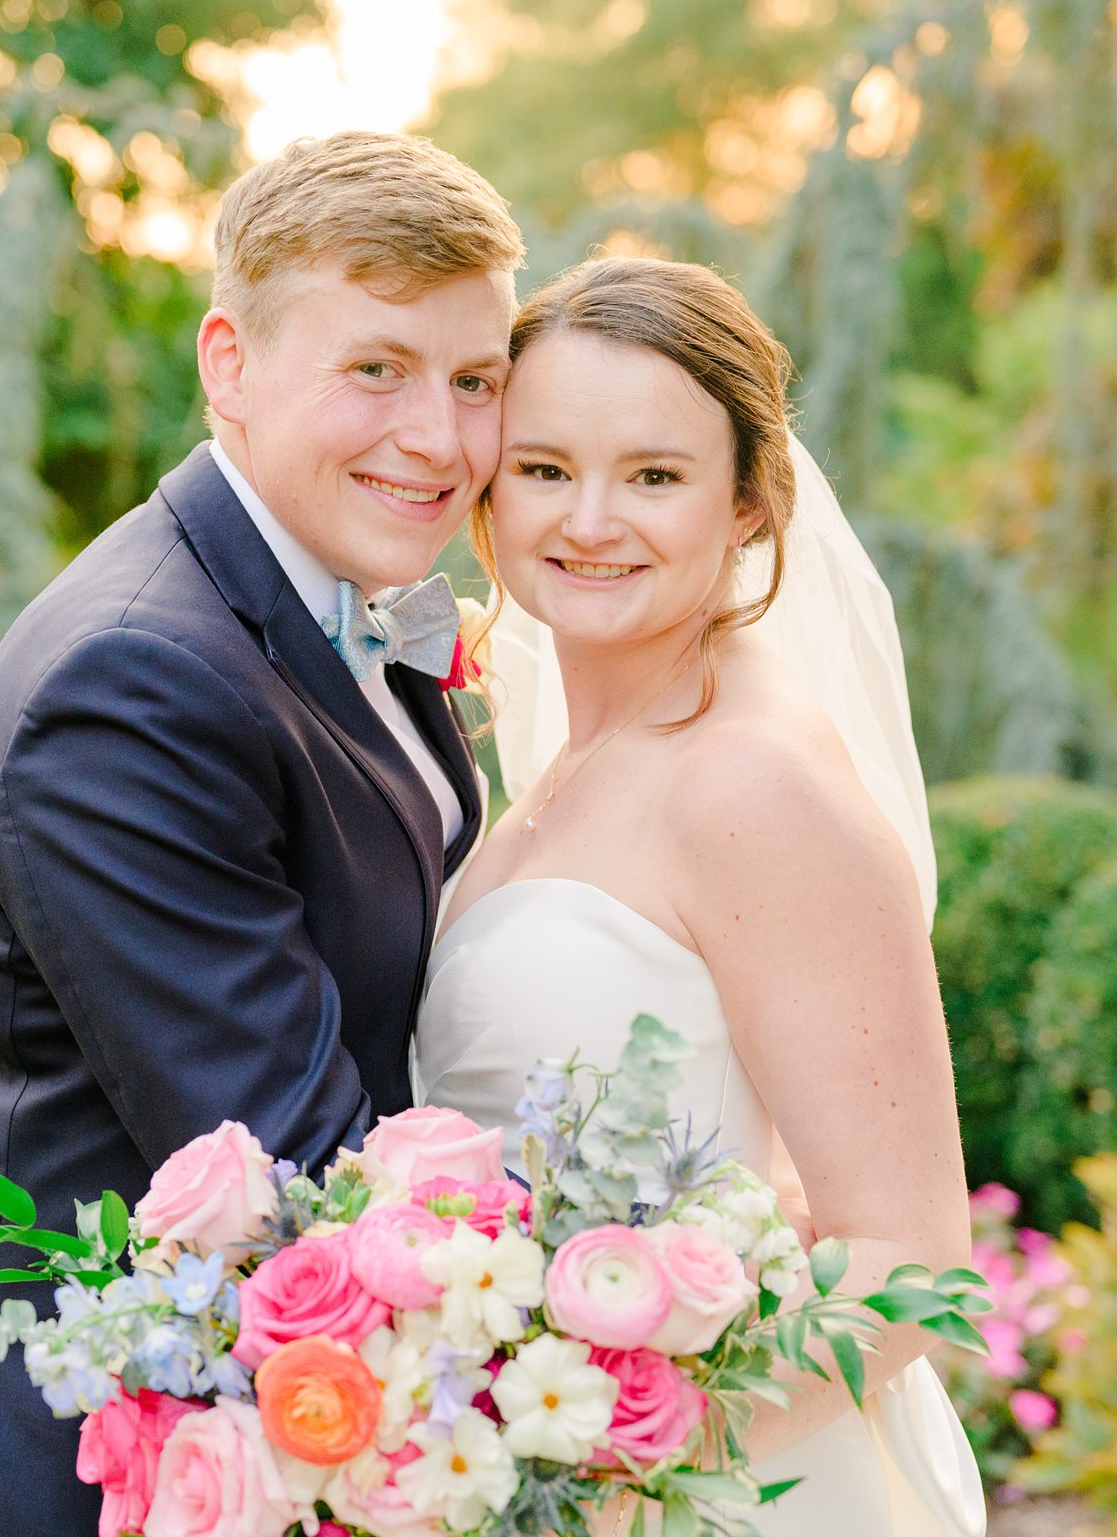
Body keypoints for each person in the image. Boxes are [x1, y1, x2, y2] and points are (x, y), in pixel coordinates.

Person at [0, 131, 521, 1537]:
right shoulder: (133, 682)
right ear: (228, 362)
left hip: (304, 1425)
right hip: (98, 1460)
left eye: (474, 382)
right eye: (376, 369)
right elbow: (288, 1161)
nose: (440, 438)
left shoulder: (339, 602)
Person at [416, 255, 988, 1534]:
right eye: (546, 468)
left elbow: (912, 1267)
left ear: (749, 503)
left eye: (656, 475)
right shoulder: (561, 760)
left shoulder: (751, 785)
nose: (588, 520)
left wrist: (580, 1475)